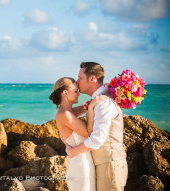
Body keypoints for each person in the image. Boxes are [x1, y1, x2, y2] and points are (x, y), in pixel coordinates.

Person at [66, 62, 128, 191]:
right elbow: (66, 114)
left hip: (110, 165)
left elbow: (97, 140)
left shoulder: (103, 103)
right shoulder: (97, 102)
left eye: (80, 77)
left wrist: (72, 152)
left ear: (92, 78)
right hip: (105, 164)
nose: (77, 82)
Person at [49, 77, 104, 191]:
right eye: (75, 91)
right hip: (81, 167)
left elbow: (84, 107)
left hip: (84, 163)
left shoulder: (67, 112)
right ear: (65, 93)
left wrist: (101, 95)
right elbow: (89, 133)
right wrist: (91, 107)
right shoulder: (65, 114)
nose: (79, 94)